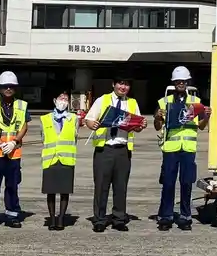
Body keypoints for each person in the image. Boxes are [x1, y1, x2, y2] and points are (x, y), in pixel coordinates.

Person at [83, 75, 145, 233]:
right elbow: (88, 119)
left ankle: (119, 219)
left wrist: (141, 125)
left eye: (127, 84)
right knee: (101, 186)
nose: (123, 87)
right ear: (113, 84)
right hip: (104, 149)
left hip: (122, 150)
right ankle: (99, 219)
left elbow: (137, 126)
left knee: (120, 186)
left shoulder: (132, 103)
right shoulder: (102, 100)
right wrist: (92, 124)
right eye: (120, 83)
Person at [154, 66, 208, 231]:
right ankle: (165, 217)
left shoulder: (196, 102)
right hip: (170, 149)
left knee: (186, 183)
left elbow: (201, 126)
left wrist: (207, 116)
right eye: (178, 81)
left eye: (183, 81)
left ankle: (185, 217)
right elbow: (157, 126)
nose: (180, 83)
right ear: (174, 82)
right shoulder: (164, 102)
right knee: (168, 184)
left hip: (188, 149)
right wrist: (157, 117)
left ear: (187, 82)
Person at [0, 70, 28, 228]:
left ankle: (12, 214)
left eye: (11, 86)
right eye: (5, 86)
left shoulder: (22, 105)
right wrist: (0, 143)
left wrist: (14, 142)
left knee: (12, 185)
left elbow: (24, 126)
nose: (8, 89)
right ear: (0, 88)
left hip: (14, 152)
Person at [40, 89, 78, 231]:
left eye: (66, 99)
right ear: (54, 100)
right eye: (61, 98)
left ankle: (61, 218)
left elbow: (75, 137)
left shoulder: (74, 118)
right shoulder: (45, 119)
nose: (63, 101)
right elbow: (43, 138)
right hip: (50, 159)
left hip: (66, 159)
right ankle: (52, 219)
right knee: (50, 190)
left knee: (64, 190)